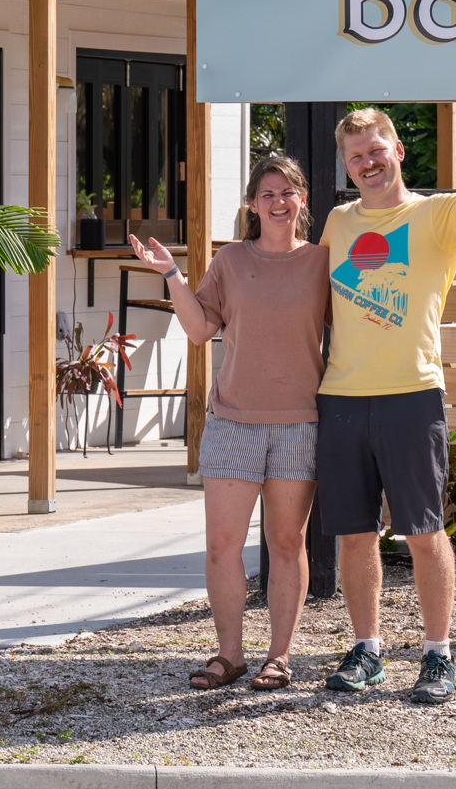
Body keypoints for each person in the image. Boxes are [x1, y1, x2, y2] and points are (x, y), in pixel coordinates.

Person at [313, 65, 456, 705]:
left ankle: (438, 655)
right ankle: (367, 649)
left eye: (376, 150)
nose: (367, 163)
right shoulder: (336, 223)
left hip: (412, 395)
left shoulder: (435, 215)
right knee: (353, 532)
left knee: (423, 531)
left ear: (398, 151)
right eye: (356, 157)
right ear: (347, 166)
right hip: (342, 398)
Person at [130, 155, 330, 692]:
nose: (278, 201)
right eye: (267, 193)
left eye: (288, 191)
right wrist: (171, 274)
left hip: (300, 423)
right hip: (233, 422)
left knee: (287, 542)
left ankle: (280, 656)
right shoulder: (230, 262)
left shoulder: (321, 263)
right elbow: (198, 331)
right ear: (251, 204)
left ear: (302, 199)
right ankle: (230, 655)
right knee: (222, 544)